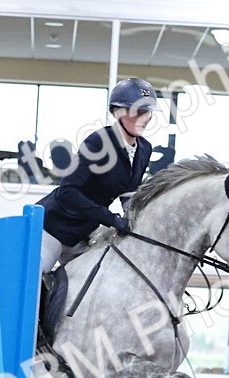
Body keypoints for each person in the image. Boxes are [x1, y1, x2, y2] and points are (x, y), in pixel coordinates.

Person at [36, 77, 156, 273]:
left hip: (84, 235)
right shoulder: (98, 141)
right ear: (117, 112)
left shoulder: (144, 149)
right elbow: (67, 191)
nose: (143, 118)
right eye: (137, 112)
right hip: (53, 229)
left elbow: (129, 195)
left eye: (147, 112)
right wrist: (111, 218)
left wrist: (139, 220)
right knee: (34, 278)